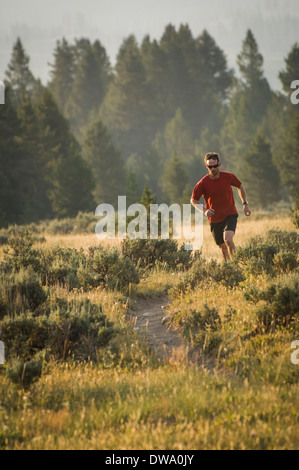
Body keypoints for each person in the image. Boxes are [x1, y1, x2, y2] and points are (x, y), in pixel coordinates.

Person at [190, 152, 251, 260]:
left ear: (219, 164)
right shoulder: (203, 183)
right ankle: (228, 268)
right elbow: (193, 200)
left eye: (214, 166)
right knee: (222, 246)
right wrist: (204, 211)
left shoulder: (228, 177)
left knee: (228, 239)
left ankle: (236, 263)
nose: (213, 169)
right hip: (214, 219)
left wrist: (245, 204)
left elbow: (240, 186)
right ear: (206, 166)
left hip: (230, 214)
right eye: (210, 166)